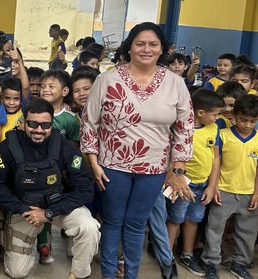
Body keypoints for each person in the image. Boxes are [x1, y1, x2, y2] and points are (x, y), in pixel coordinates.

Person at [80, 22, 194, 279]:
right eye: (140, 43)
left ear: (161, 49)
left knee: (135, 225)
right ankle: (108, 274)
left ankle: (131, 275)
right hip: (112, 166)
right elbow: (90, 121)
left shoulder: (175, 83)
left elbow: (185, 129)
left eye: (153, 44)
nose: (146, 49)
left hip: (154, 168)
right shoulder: (107, 79)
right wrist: (93, 161)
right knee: (112, 221)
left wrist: (177, 170)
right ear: (129, 47)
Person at [0, 99, 99, 279]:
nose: (38, 130)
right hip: (24, 210)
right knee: (17, 272)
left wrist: (48, 213)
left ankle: (80, 273)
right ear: (24, 122)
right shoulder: (7, 147)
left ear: (51, 124)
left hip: (57, 206)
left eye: (45, 125)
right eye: (33, 124)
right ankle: (19, 237)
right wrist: (21, 208)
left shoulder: (65, 147)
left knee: (89, 227)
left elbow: (85, 188)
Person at [165, 89, 224, 276]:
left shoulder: (213, 129)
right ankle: (166, 256)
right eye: (215, 114)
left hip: (203, 185)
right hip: (183, 184)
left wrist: (212, 185)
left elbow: (216, 158)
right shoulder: (182, 129)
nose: (217, 118)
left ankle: (187, 254)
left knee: (193, 220)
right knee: (175, 219)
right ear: (200, 113)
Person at [201, 94, 258, 279]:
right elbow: (216, 163)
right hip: (223, 191)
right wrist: (214, 186)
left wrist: (257, 192)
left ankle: (240, 263)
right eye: (243, 120)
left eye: (253, 121)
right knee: (214, 229)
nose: (247, 125)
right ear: (233, 115)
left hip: (249, 193)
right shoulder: (222, 135)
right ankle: (211, 262)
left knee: (247, 232)